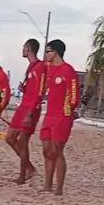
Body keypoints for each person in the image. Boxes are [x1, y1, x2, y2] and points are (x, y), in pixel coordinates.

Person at [40, 39, 80, 195]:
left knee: (57, 151)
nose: (46, 54)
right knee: (46, 150)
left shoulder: (68, 71)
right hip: (49, 115)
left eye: (47, 51)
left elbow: (74, 95)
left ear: (55, 52)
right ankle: (47, 185)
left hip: (62, 116)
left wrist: (69, 111)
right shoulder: (49, 69)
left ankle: (59, 188)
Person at [6, 38, 46, 184]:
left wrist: (30, 113)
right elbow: (33, 89)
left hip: (30, 108)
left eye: (24, 48)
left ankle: (23, 174)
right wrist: (24, 88)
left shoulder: (40, 67)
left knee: (23, 141)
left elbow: (40, 91)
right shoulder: (31, 67)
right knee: (10, 138)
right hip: (23, 105)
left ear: (28, 49)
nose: (22, 50)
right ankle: (29, 167)